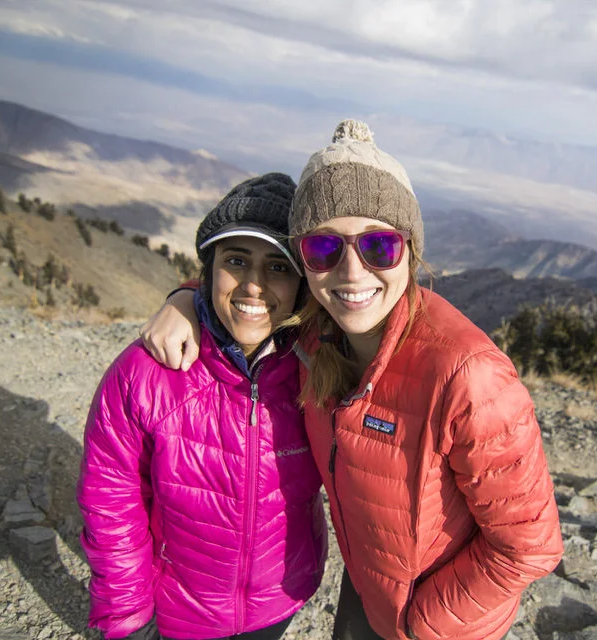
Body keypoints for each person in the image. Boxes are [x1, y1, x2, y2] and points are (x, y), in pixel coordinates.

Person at [142, 121, 563, 640]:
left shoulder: (468, 377)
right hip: (370, 591)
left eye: (378, 247)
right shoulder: (316, 333)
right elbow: (247, 295)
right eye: (323, 249)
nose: (351, 273)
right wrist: (186, 299)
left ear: (409, 250)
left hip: (439, 622)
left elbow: (529, 545)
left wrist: (422, 623)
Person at [77, 173, 327, 640]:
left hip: (280, 601)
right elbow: (111, 507)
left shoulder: (319, 369)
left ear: (302, 284)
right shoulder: (147, 372)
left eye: (277, 266)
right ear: (210, 269)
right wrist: (127, 620)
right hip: (179, 613)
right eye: (236, 261)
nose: (253, 286)